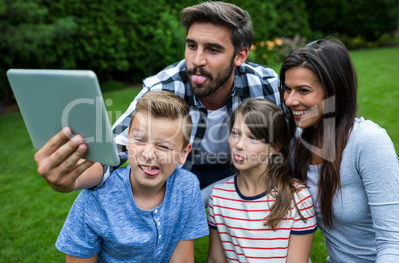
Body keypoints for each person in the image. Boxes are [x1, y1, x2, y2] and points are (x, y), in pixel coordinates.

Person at [34, 1, 280, 205]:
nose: (197, 60)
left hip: (240, 170)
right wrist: (72, 179)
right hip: (180, 173)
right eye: (191, 45)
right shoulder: (165, 87)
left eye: (212, 50)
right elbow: (112, 151)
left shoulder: (266, 85)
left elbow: (291, 144)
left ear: (240, 56)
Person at [279, 38, 399, 262]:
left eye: (303, 90)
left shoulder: (368, 142)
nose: (290, 100)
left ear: (334, 92)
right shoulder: (297, 143)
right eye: (288, 89)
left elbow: (394, 242)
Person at [55, 91, 209, 262]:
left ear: (183, 153)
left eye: (164, 146)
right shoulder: (97, 197)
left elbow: (182, 259)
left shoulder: (187, 187)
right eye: (140, 140)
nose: (149, 154)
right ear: (127, 139)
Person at [206, 98, 317, 262]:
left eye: (252, 137)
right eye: (235, 133)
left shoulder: (298, 197)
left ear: (274, 148)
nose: (239, 145)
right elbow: (216, 259)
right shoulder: (218, 197)